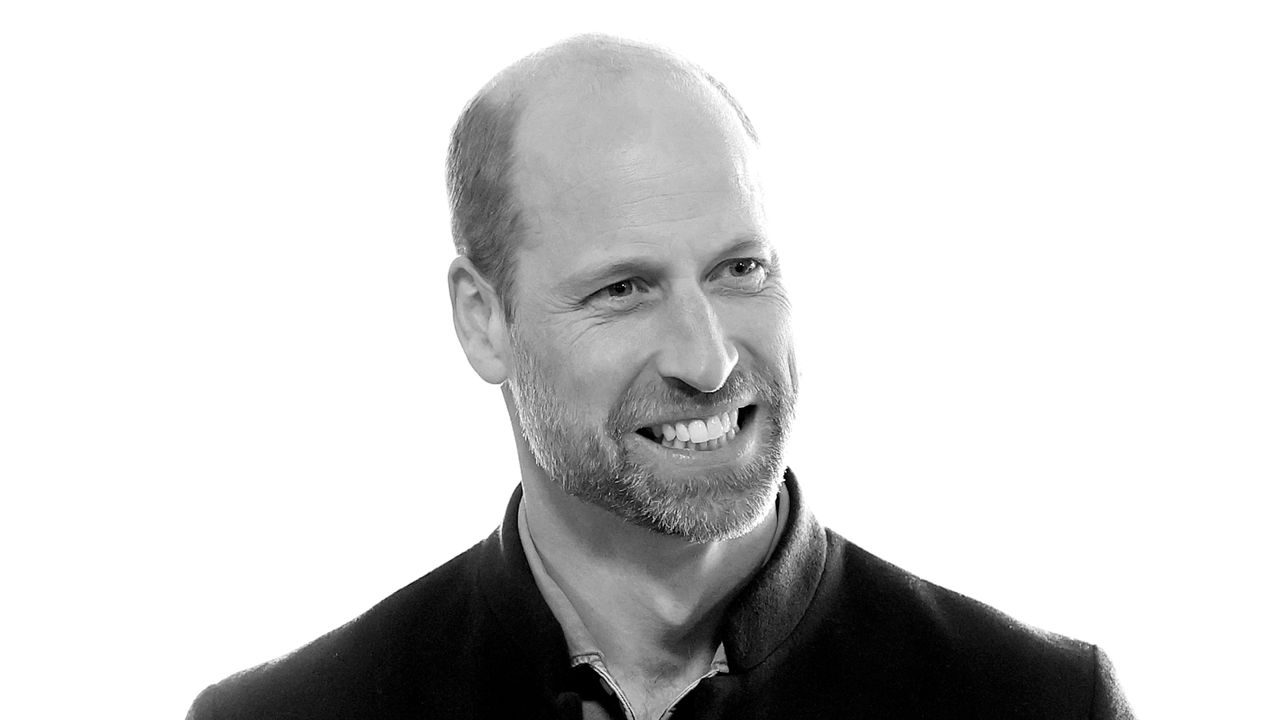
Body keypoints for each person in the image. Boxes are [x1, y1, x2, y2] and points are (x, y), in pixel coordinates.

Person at [187, 34, 1133, 720]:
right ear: (483, 322)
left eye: (740, 269)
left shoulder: (1038, 705)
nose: (710, 357)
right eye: (624, 288)